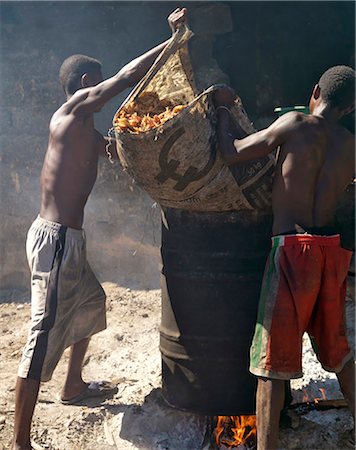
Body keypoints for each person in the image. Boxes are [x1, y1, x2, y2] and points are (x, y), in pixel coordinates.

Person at [11, 8, 188, 450]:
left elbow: (120, 152)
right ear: (88, 83)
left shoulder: (85, 133)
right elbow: (128, 76)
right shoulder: (70, 112)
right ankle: (19, 441)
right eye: (100, 82)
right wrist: (172, 43)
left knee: (92, 303)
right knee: (41, 335)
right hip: (54, 242)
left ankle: (72, 387)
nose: (105, 90)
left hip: (69, 241)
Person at [213, 65, 355, 450]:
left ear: (315, 92)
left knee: (271, 363)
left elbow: (231, 154)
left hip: (293, 250)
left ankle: (267, 446)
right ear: (350, 107)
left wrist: (225, 112)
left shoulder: (295, 123)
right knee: (339, 352)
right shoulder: (350, 144)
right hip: (332, 251)